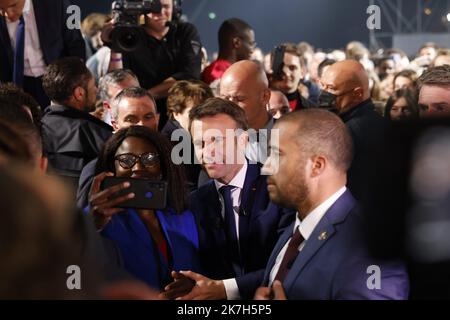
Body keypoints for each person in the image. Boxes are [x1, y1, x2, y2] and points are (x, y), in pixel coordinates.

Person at [254, 109, 409, 300]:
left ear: (317, 165)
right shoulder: (298, 228)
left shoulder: (370, 247)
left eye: (278, 155)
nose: (266, 166)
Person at [163, 98, 294, 300]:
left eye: (217, 140)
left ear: (243, 141)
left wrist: (225, 289)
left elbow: (288, 266)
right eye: (200, 143)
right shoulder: (195, 202)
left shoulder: (280, 190)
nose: (207, 152)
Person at [88, 125, 200, 291]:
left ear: (162, 167)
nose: (138, 168)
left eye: (149, 158)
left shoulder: (183, 217)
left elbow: (197, 272)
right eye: (126, 160)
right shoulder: (98, 219)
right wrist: (92, 224)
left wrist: (191, 284)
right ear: (113, 169)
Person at [105, 0, 202, 129]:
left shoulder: (184, 31)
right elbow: (115, 80)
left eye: (166, 6)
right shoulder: (130, 34)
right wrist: (115, 44)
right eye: (154, 7)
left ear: (175, 8)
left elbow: (190, 76)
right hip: (139, 118)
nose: (160, 12)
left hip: (178, 117)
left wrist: (144, 96)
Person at [76, 86, 159, 210]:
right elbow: (80, 224)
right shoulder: (96, 170)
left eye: (148, 117)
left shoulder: (169, 161)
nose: (141, 125)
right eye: (131, 119)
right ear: (115, 125)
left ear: (157, 119)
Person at [320, 59, 386, 200]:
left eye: (331, 88)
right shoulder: (379, 121)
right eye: (322, 86)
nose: (323, 94)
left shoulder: (347, 132)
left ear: (357, 94)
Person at [0, 0, 85, 108]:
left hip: (58, 81)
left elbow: (75, 43)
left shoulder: (59, 4)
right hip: (19, 85)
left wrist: (76, 81)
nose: (8, 14)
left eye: (13, 6)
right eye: (1, 9)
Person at [41, 57, 112, 185]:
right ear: (79, 93)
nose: (96, 90)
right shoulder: (101, 136)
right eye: (93, 85)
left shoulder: (33, 131)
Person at [162, 80, 213, 191]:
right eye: (194, 111)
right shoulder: (171, 143)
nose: (202, 116)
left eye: (207, 110)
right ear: (175, 113)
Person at [219, 60, 273, 164]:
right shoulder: (215, 142)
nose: (230, 107)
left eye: (239, 99)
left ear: (265, 97)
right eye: (225, 99)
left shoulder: (290, 138)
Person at [201, 18, 255, 85]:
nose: (252, 50)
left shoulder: (231, 71)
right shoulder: (217, 72)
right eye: (251, 44)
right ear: (236, 42)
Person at [269, 43, 318, 110]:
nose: (286, 73)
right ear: (272, 68)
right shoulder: (260, 108)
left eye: (292, 68)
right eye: (281, 67)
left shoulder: (312, 111)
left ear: (302, 72)